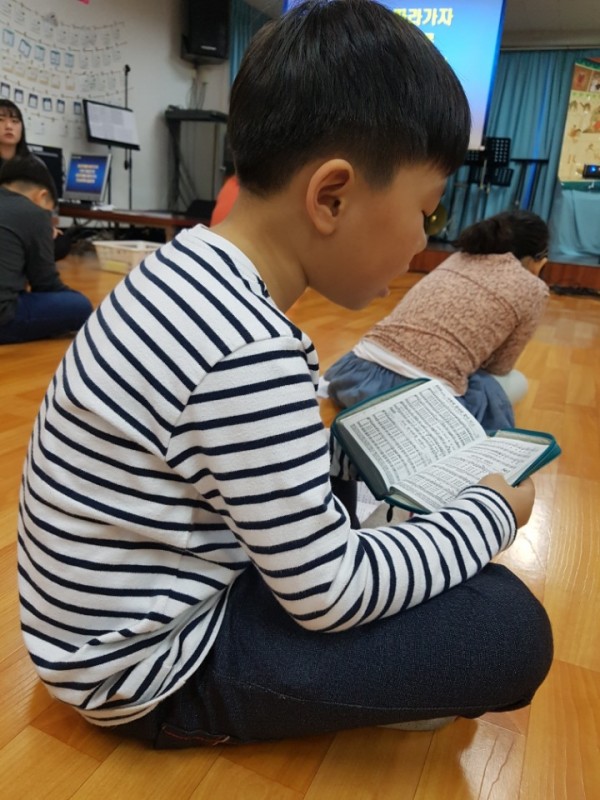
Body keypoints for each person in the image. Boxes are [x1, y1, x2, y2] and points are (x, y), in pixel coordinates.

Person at [17, 0, 552, 748]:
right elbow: (330, 592)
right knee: (507, 627)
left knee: (412, 537)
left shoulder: (190, 271)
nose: (421, 244)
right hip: (147, 669)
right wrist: (492, 510)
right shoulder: (247, 346)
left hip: (112, 619)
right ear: (332, 196)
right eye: (426, 214)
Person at [323, 210, 550, 431]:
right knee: (517, 382)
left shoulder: (458, 257)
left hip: (356, 375)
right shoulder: (533, 288)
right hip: (423, 402)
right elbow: (499, 368)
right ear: (537, 258)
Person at [0, 156, 93, 344]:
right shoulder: (33, 213)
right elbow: (45, 283)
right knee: (80, 306)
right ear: (41, 196)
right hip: (3, 319)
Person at [0, 99, 77, 260]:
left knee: (60, 243)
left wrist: (47, 227)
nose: (9, 126)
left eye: (15, 121)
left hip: (29, 228)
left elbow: (50, 204)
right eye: (1, 120)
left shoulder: (35, 164)